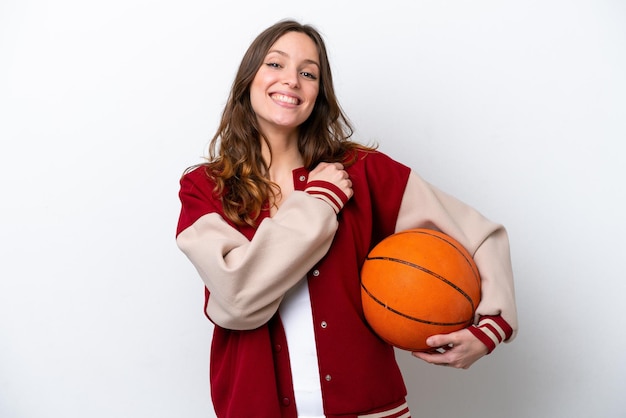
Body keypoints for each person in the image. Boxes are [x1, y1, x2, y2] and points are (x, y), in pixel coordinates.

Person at [176, 19, 517, 418]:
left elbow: (480, 235)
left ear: (318, 93)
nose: (291, 81)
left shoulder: (363, 172)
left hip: (371, 409)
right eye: (275, 64)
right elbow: (236, 299)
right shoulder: (205, 187)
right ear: (248, 79)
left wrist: (491, 327)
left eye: (308, 73)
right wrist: (319, 202)